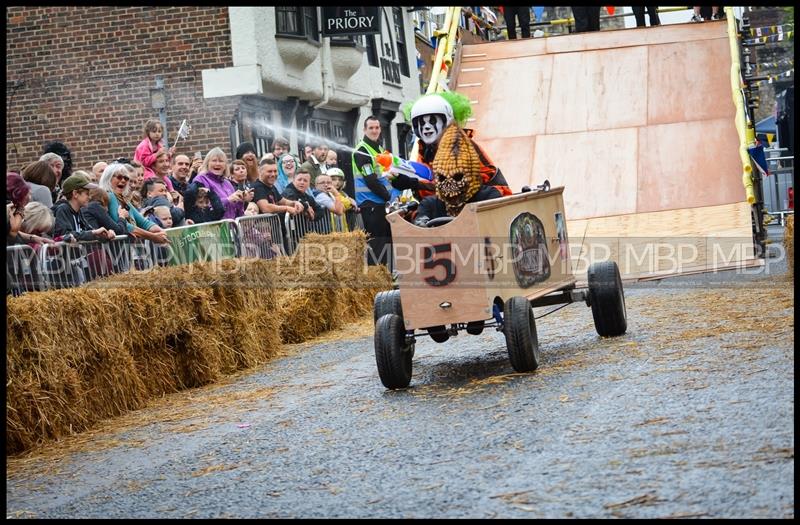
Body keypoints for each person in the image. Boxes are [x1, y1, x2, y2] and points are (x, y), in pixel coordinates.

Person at [352, 115, 397, 266]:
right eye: (371, 128)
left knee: (386, 241)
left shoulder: (378, 148)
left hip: (380, 203)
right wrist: (388, 196)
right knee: (377, 243)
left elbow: (384, 174)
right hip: (371, 203)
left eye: (377, 127)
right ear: (364, 130)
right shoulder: (362, 151)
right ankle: (376, 277)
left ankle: (386, 275)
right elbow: (370, 180)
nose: (374, 130)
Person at [99, 162, 169, 244]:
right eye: (119, 177)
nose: (123, 180)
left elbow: (143, 222)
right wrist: (153, 237)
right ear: (108, 178)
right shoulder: (109, 195)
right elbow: (126, 226)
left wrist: (162, 231)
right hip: (116, 249)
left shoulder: (123, 199)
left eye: (126, 178)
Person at [51, 173, 115, 242]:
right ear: (75, 194)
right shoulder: (63, 209)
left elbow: (89, 231)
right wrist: (93, 233)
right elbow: (65, 235)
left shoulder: (79, 211)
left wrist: (105, 234)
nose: (89, 197)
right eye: (87, 194)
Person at [192, 147, 246, 219]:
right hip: (213, 227)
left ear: (225, 165)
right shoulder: (200, 179)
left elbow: (238, 213)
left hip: (231, 227)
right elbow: (203, 206)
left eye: (221, 161)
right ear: (207, 163)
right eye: (214, 161)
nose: (217, 164)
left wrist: (240, 201)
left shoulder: (227, 183)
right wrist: (227, 200)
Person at [134, 118, 176, 185]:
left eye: (159, 131)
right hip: (144, 170)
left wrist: (170, 154)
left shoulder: (159, 144)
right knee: (154, 181)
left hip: (155, 169)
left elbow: (162, 158)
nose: (157, 134)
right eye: (154, 131)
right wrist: (157, 154)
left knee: (168, 181)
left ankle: (172, 192)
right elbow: (144, 162)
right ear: (148, 132)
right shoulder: (144, 145)